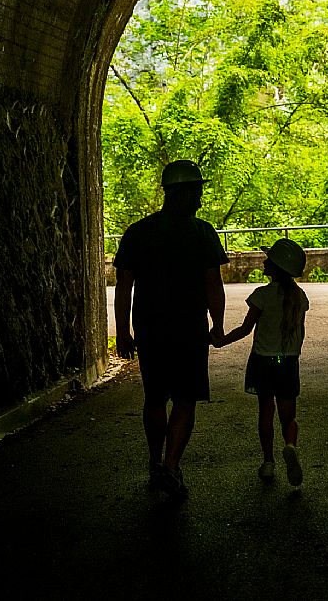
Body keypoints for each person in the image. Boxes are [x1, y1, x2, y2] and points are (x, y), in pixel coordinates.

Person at [113, 159, 228, 500]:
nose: (200, 199)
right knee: (185, 399)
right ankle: (171, 466)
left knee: (154, 398)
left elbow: (123, 286)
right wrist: (217, 324)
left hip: (150, 330)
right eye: (197, 191)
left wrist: (123, 331)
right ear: (183, 192)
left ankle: (155, 464)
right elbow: (213, 285)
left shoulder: (137, 233)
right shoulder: (202, 233)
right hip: (189, 331)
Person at [215, 238, 309, 487]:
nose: (264, 261)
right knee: (289, 417)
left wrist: (221, 341)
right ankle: (290, 446)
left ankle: (268, 462)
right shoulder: (300, 297)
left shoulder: (261, 295)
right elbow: (300, 332)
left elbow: (246, 329)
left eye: (269, 259)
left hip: (263, 362)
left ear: (275, 267)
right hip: (288, 362)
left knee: (266, 413)